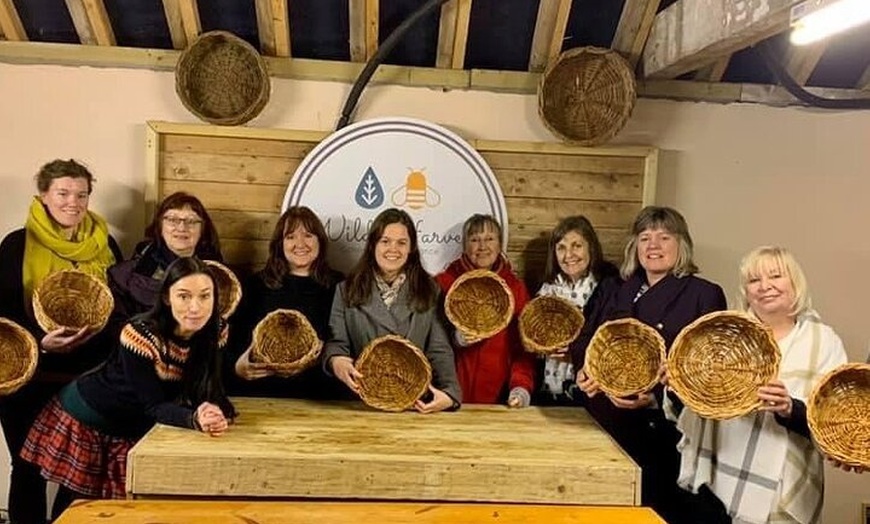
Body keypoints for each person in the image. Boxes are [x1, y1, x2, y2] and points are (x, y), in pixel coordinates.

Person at [20, 256, 236, 519]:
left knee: (118, 512)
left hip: (134, 423)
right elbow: (153, 405)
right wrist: (194, 418)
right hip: (89, 415)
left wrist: (217, 412)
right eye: (184, 296)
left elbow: (210, 384)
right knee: (77, 506)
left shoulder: (217, 330)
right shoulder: (139, 334)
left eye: (205, 296)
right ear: (167, 298)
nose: (195, 307)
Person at [571, 205, 727, 524]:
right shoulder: (615, 288)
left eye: (663, 237)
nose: (653, 245)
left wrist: (656, 395)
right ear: (635, 247)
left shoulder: (704, 294)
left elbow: (709, 368)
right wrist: (587, 370)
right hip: (605, 425)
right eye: (645, 238)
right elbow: (584, 338)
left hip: (665, 433)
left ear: (681, 244)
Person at [671, 246, 848, 523]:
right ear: (746, 291)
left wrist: (792, 408)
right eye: (754, 280)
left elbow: (836, 420)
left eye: (775, 276)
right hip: (719, 480)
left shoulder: (824, 342)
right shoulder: (723, 338)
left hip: (783, 490)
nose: (765, 287)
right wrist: (678, 386)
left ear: (795, 283)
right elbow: (698, 406)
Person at [0, 159, 122, 524]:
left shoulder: (106, 244)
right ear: (43, 195)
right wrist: (40, 343)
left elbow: (118, 308)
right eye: (63, 193)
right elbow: (2, 315)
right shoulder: (16, 245)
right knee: (27, 467)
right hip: (28, 378)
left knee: (83, 471)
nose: (73, 202)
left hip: (86, 382)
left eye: (82, 194)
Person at [322, 208, 461, 413]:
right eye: (385, 241)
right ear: (373, 245)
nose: (392, 249)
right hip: (360, 406)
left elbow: (439, 349)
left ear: (411, 247)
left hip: (413, 406)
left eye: (401, 242)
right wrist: (336, 361)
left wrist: (449, 394)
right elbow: (337, 342)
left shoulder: (429, 290)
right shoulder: (346, 290)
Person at [229, 206, 343, 398]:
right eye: (290, 236)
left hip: (319, 393)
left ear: (320, 241)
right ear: (279, 244)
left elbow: (343, 340)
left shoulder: (339, 285)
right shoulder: (256, 285)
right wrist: (238, 366)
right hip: (263, 391)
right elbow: (234, 339)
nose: (300, 243)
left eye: (308, 235)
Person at [435, 214, 535, 408]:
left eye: (490, 239)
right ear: (464, 246)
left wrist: (521, 387)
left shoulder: (515, 289)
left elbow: (524, 347)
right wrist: (456, 338)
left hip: (499, 398)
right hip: (450, 397)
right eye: (474, 240)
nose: (482, 246)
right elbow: (431, 340)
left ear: (500, 244)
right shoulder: (444, 283)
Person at [533, 215, 620, 405]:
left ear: (591, 247)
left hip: (589, 388)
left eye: (577, 246)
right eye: (561, 248)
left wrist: (574, 351)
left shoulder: (607, 288)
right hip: (549, 386)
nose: (568, 255)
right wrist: (541, 346)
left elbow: (610, 338)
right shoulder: (547, 289)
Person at [107, 191, 222, 327]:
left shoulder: (222, 277)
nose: (181, 227)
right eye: (172, 220)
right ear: (160, 226)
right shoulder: (123, 277)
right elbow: (117, 328)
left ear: (202, 229)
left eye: (191, 221)